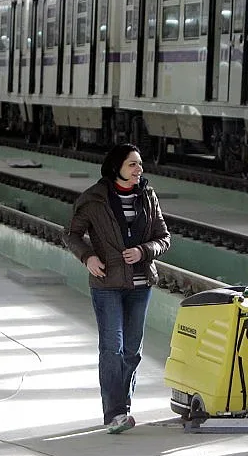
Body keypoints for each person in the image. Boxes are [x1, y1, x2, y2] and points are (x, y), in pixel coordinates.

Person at [62, 143, 171, 434]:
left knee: (132, 351)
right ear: (117, 168)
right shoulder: (94, 199)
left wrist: (144, 251)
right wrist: (88, 257)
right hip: (107, 284)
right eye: (132, 164)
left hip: (140, 284)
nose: (139, 170)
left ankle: (122, 407)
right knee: (112, 348)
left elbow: (164, 237)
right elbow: (71, 234)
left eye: (140, 164)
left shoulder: (148, 196)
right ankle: (115, 413)